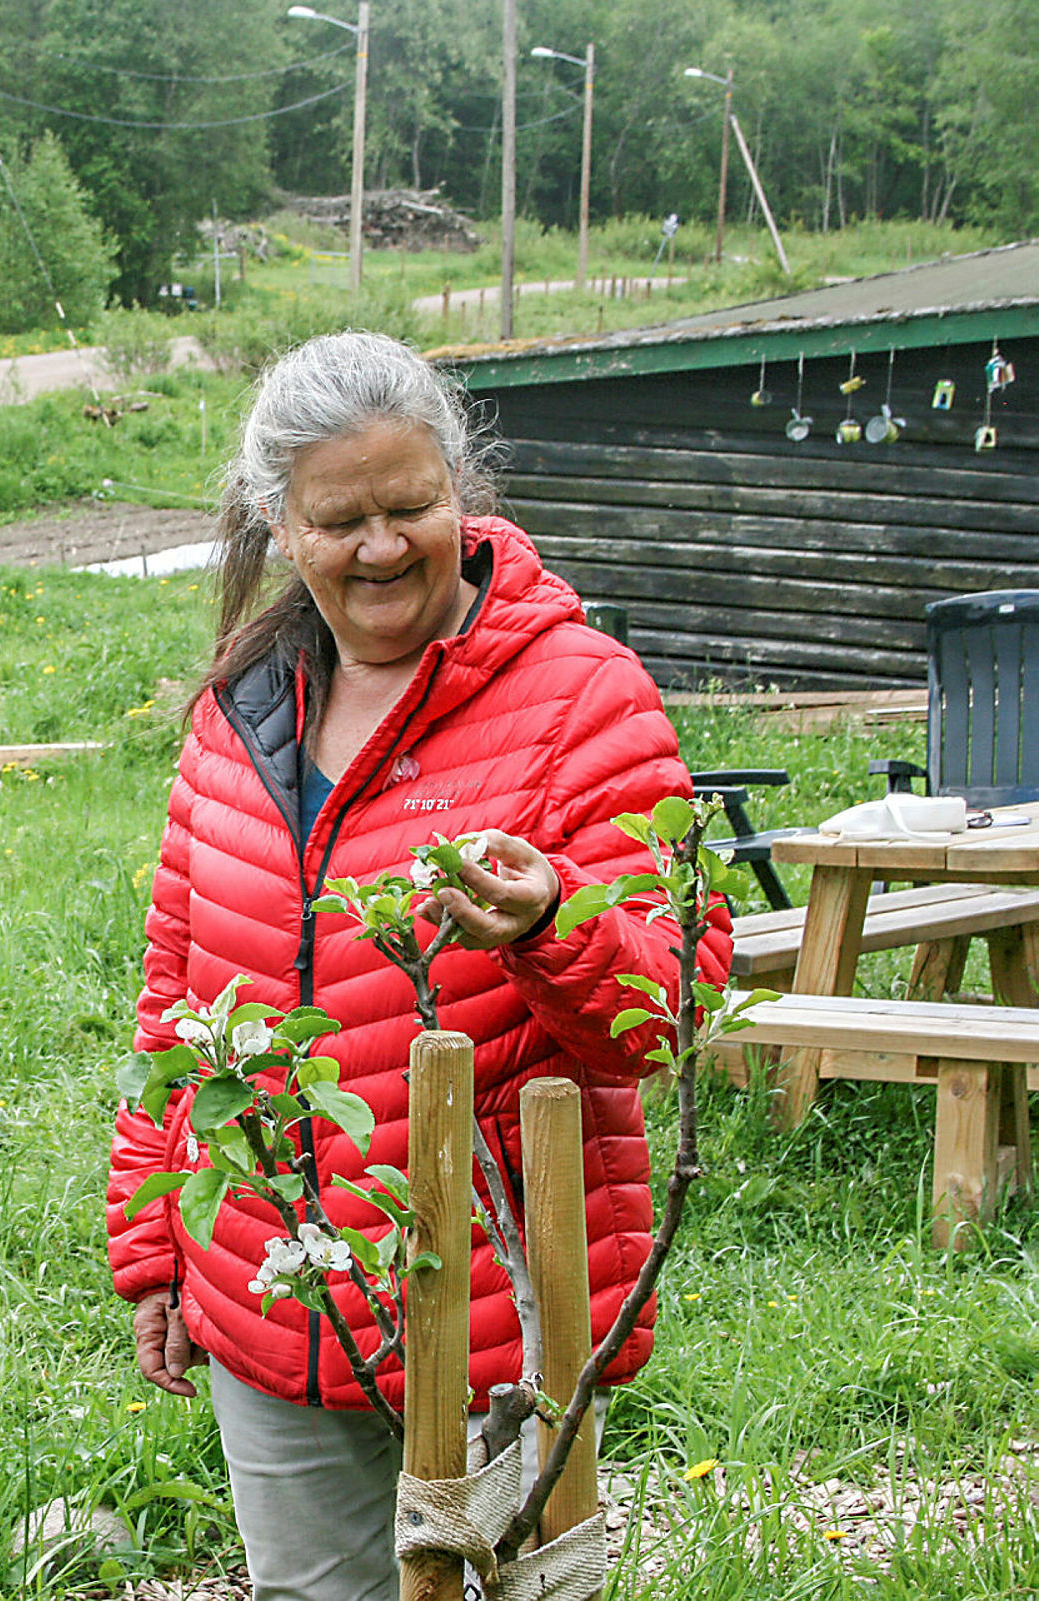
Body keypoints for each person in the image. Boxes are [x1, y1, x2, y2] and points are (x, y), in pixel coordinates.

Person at [107, 330, 730, 1601]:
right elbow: (177, 1000)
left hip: (498, 1307)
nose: (383, 545)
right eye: (343, 519)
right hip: (269, 1284)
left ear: (462, 492)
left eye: (411, 505)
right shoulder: (241, 710)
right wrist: (155, 1242)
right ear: (281, 526)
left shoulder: (580, 699)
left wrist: (556, 919)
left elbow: (664, 1014)